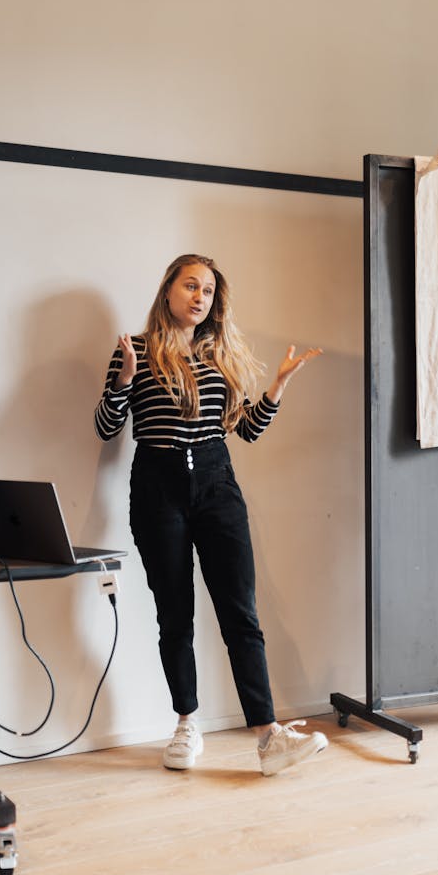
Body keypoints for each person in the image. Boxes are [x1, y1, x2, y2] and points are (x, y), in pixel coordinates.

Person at [94, 253, 328, 776]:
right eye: (191, 286)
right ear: (168, 291)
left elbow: (245, 430)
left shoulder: (219, 356)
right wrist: (124, 380)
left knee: (239, 613)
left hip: (218, 487)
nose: (201, 298)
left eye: (209, 291)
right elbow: (107, 427)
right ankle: (186, 725)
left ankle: (268, 738)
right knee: (175, 615)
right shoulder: (134, 350)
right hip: (158, 489)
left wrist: (277, 389)